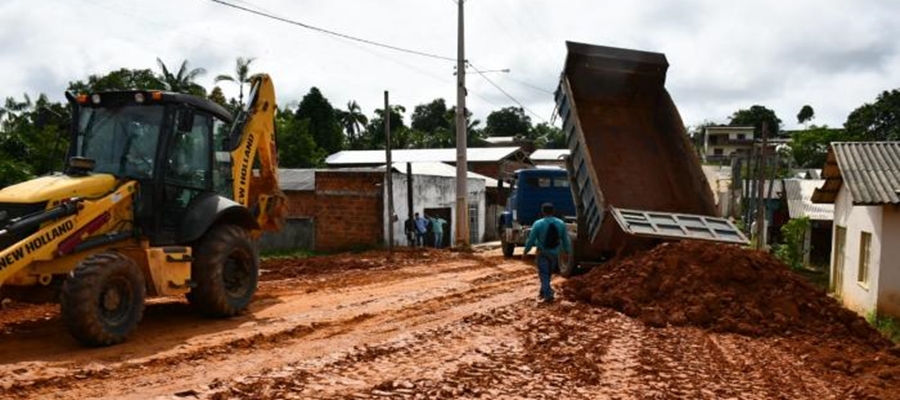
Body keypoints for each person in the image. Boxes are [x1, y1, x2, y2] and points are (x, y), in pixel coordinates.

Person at [522, 202, 572, 304]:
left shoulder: (538, 223)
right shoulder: (561, 223)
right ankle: (542, 291)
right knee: (548, 274)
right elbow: (565, 240)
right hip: (555, 253)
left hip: (542, 253)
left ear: (542, 212)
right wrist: (567, 252)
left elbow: (531, 240)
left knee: (544, 274)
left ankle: (548, 295)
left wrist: (526, 252)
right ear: (553, 211)